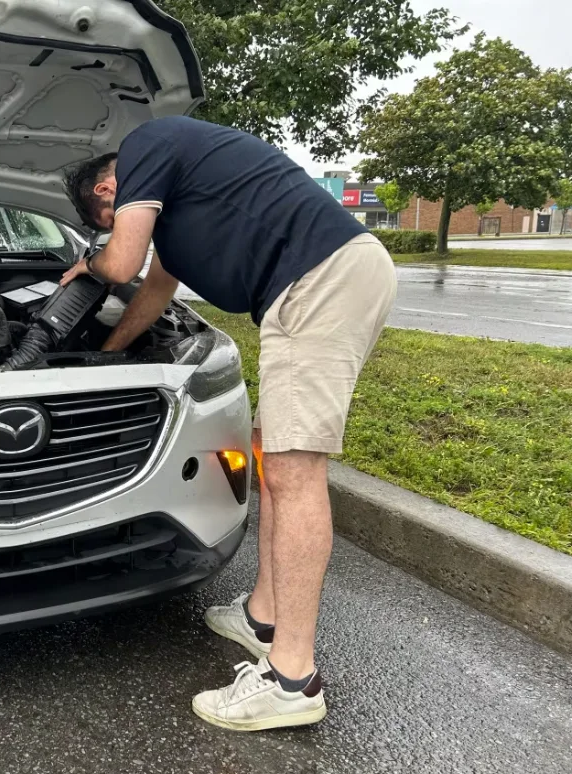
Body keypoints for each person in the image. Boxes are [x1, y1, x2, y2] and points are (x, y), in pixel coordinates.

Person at [60, 115, 396, 732]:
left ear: (106, 194)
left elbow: (123, 260)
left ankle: (292, 679)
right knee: (271, 462)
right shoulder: (182, 216)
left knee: (295, 474)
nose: (112, 233)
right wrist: (102, 358)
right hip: (310, 284)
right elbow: (155, 291)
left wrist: (92, 261)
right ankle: (262, 617)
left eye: (103, 225)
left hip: (316, 279)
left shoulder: (146, 143)